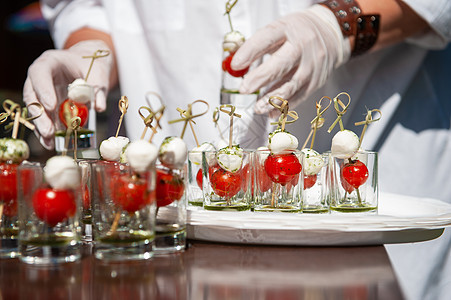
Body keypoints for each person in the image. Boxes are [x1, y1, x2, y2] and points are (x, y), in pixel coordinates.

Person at [24, 1, 451, 299]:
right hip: (180, 218)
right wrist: (90, 55)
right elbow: (89, 9)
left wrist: (336, 26)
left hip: (378, 206)